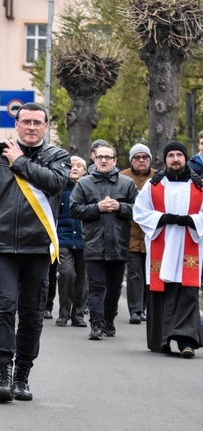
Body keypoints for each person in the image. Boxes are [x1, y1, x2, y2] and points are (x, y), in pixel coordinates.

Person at [0, 102, 70, 402]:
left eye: (37, 122)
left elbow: (54, 184)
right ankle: (3, 371)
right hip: (1, 246)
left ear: (45, 126)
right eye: (25, 122)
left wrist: (19, 161)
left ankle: (22, 375)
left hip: (39, 248)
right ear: (16, 126)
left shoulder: (58, 157)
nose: (31, 127)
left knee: (31, 315)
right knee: (2, 308)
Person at [133, 141, 203, 358]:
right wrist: (163, 218)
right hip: (161, 245)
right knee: (161, 290)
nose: (175, 159)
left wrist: (191, 221)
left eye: (179, 155)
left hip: (188, 244)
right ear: (165, 160)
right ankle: (161, 339)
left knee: (187, 292)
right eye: (171, 155)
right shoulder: (154, 185)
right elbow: (139, 211)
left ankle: (186, 342)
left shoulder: (199, 185)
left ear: (185, 158)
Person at [70, 143, 138, 340]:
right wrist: (97, 207)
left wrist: (120, 206)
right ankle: (96, 325)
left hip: (118, 243)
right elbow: (74, 210)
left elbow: (139, 210)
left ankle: (109, 320)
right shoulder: (84, 183)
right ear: (94, 159)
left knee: (115, 287)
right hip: (93, 243)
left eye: (108, 157)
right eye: (100, 157)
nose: (104, 160)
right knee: (96, 286)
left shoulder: (127, 184)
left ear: (115, 161)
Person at [120, 143, 157, 324]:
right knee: (135, 273)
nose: (141, 161)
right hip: (131, 235)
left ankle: (147, 309)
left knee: (150, 272)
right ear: (131, 160)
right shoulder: (122, 177)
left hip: (154, 236)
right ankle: (135, 310)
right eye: (137, 158)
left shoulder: (159, 177)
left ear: (149, 159)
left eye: (145, 157)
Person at [55, 156, 88, 327]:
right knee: (67, 273)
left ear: (85, 171)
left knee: (83, 278)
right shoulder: (58, 189)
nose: (74, 168)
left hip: (85, 239)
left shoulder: (89, 188)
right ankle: (63, 313)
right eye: (71, 165)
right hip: (63, 238)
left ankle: (79, 315)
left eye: (79, 166)